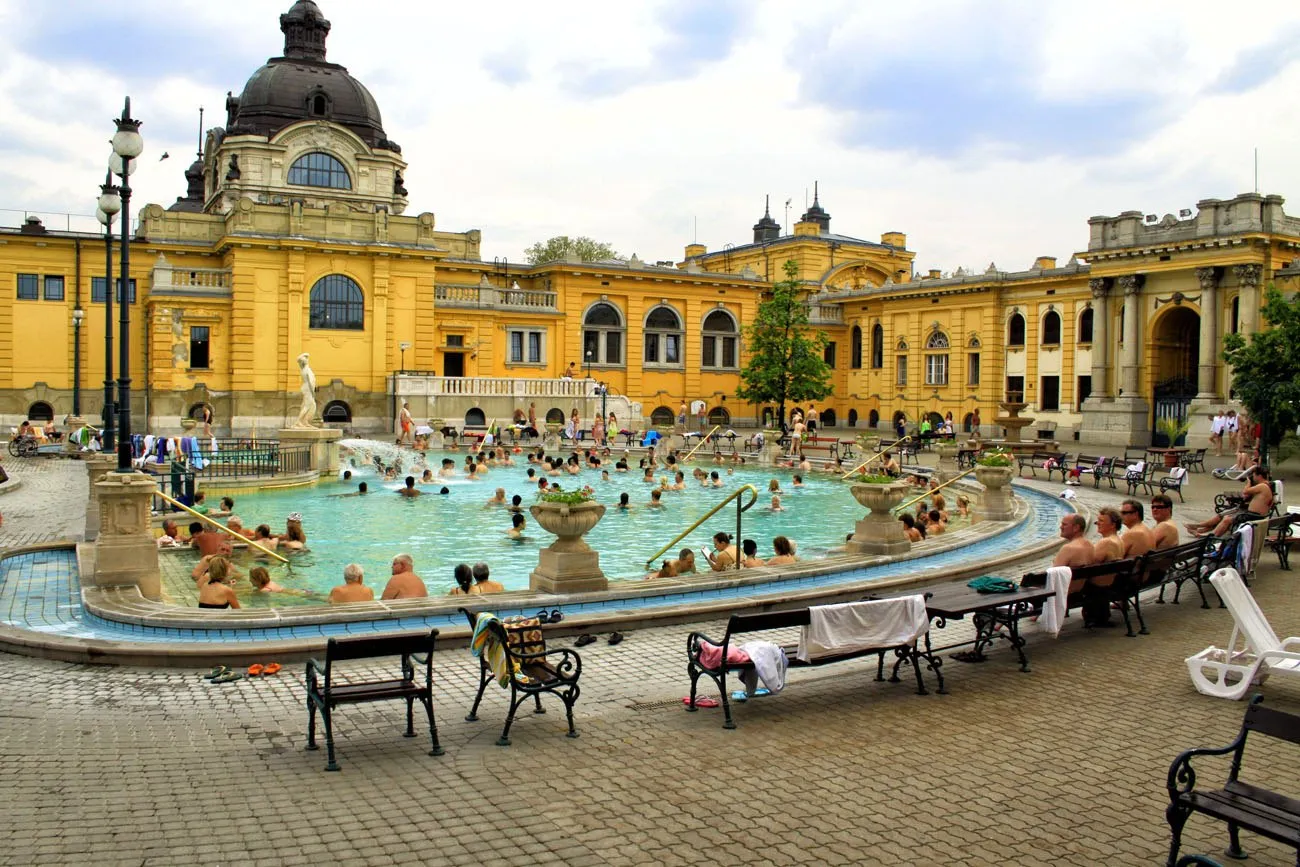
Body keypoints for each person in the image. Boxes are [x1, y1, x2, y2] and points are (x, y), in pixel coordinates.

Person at [1188, 465, 1274, 537]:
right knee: (1225, 516)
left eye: (1254, 475)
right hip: (1252, 514)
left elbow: (1245, 491)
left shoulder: (1263, 486)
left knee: (1227, 519)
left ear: (1259, 476)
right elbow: (1247, 496)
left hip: (1253, 516)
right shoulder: (1265, 485)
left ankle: (1210, 536)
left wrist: (1248, 482)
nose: (1253, 477)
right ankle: (1202, 531)